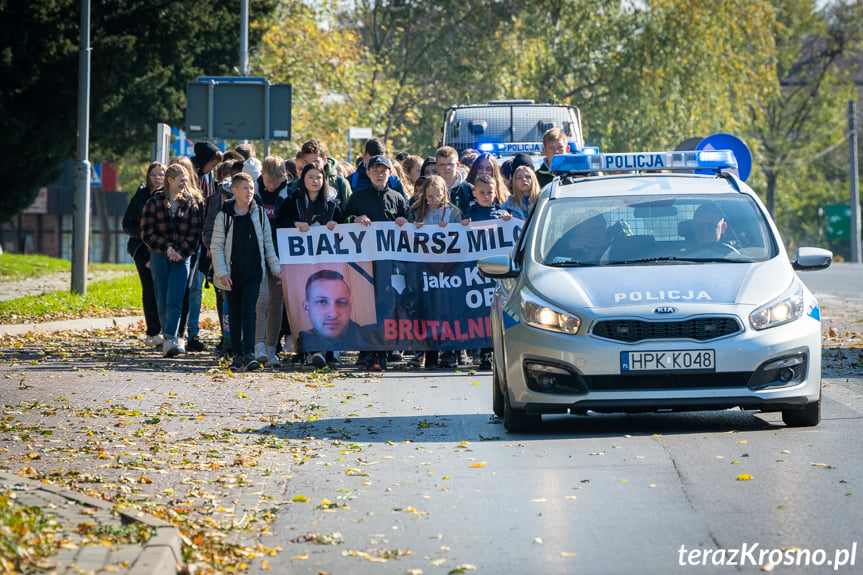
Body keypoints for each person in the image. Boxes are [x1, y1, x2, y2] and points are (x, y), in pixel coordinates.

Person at [210, 172, 281, 372]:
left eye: (251, 188)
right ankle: (236, 354)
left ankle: (249, 353)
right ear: (234, 191)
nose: (249, 192)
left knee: (250, 311)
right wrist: (222, 272)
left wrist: (276, 269)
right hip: (231, 274)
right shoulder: (224, 216)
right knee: (234, 313)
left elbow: (268, 243)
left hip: (253, 272)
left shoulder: (259, 214)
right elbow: (216, 246)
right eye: (244, 188)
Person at [344, 155, 409, 372]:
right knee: (364, 306)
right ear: (368, 173)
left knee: (385, 306)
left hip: (389, 265)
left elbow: (409, 227)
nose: (380, 174)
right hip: (363, 262)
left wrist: (403, 222)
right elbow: (342, 219)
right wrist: (353, 220)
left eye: (384, 171)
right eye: (375, 170)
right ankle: (365, 351)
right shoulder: (357, 197)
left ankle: (381, 352)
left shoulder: (398, 198)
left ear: (390, 174)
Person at [277, 162, 343, 368]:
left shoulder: (331, 202)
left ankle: (327, 351)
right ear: (303, 180)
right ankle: (306, 350)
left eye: (319, 177)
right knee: (305, 303)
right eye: (311, 177)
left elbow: (344, 223)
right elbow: (279, 223)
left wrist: (335, 224)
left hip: (327, 262)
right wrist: (295, 225)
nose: (315, 181)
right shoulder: (292, 201)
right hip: (301, 263)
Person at [140, 164, 203, 358]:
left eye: (186, 180)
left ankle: (170, 338)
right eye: (181, 180)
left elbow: (195, 234)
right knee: (162, 296)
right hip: (159, 255)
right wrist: (166, 247)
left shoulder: (190, 204)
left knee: (176, 296)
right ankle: (168, 337)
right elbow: (146, 232)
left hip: (182, 257)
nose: (185, 184)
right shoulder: (154, 202)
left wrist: (180, 252)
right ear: (170, 180)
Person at [402, 175, 462, 369]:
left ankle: (450, 353)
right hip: (424, 269)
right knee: (428, 313)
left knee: (448, 311)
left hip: (447, 269)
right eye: (430, 196)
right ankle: (431, 354)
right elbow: (406, 238)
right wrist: (413, 228)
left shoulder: (453, 212)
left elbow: (461, 238)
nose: (434, 199)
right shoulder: (416, 211)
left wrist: (452, 230)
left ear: (444, 193)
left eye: (438, 195)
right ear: (424, 195)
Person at [459, 174, 512, 370]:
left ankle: (497, 353)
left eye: (490, 192)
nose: (486, 195)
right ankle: (484, 354)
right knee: (480, 313)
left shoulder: (502, 214)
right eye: (481, 192)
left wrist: (508, 221)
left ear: (495, 192)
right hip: (478, 273)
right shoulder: (469, 215)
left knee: (496, 312)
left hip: (497, 274)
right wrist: (464, 225)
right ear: (474, 193)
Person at [122, 161, 165, 347]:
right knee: (149, 290)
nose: (157, 177)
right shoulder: (140, 196)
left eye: (161, 174)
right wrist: (145, 235)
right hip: (142, 249)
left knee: (163, 291)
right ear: (148, 177)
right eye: (154, 174)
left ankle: (167, 329)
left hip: (163, 249)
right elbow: (127, 224)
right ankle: (153, 331)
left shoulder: (170, 197)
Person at [253, 156, 289, 368]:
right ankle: (258, 346)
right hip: (258, 255)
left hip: (280, 255)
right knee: (261, 301)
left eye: (275, 181)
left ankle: (271, 348)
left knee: (277, 303)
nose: (271, 185)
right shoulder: (254, 192)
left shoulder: (289, 194)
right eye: (268, 180)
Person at [297, 270, 374, 354]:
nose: (333, 314)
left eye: (341, 302)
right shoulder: (305, 339)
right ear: (306, 308)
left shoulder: (368, 338)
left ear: (350, 308)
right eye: (322, 302)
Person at [435, 146, 473, 215]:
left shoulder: (468, 189)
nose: (446, 168)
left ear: (458, 165)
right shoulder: (430, 188)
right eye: (442, 165)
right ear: (437, 167)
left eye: (450, 164)